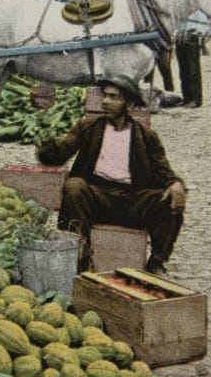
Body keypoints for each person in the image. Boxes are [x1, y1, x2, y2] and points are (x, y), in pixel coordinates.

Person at [37, 76, 187, 275]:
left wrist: (176, 184)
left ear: (129, 103)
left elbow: (163, 170)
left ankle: (157, 262)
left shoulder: (145, 136)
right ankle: (80, 255)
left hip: (131, 199)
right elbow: (60, 153)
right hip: (97, 196)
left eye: (114, 97)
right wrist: (46, 143)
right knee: (74, 186)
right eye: (105, 96)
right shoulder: (88, 127)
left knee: (168, 201)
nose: (106, 101)